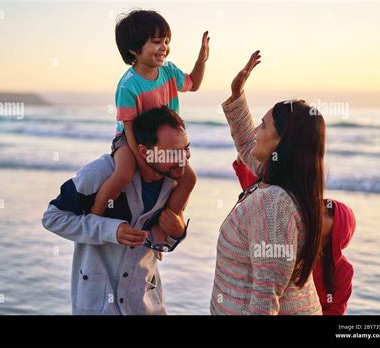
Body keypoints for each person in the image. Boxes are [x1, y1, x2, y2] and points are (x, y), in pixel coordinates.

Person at [42, 106, 190, 315]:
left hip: (146, 304)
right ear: (144, 152)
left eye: (186, 149)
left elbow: (161, 242)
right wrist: (112, 230)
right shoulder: (102, 173)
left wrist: (178, 232)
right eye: (173, 153)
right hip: (97, 304)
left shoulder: (174, 183)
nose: (183, 160)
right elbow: (52, 218)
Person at [210, 51, 324, 315]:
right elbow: (248, 143)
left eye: (262, 126)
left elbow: (265, 300)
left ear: (280, 143)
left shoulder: (274, 204)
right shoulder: (285, 180)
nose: (256, 132)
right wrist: (237, 92)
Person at [91, 10, 210, 241]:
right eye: (156, 42)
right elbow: (128, 128)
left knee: (188, 178)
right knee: (124, 173)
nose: (164, 47)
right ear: (134, 50)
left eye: (166, 41)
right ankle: (95, 216)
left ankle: (163, 224)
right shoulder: (128, 85)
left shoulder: (169, 71)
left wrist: (201, 60)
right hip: (131, 138)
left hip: (165, 143)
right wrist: (143, 164)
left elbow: (193, 84)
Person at [232, 158, 357, 315]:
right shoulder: (288, 233)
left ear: (334, 237)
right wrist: (246, 157)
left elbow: (335, 311)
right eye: (322, 205)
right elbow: (264, 200)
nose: (318, 210)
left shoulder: (343, 270)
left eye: (326, 213)